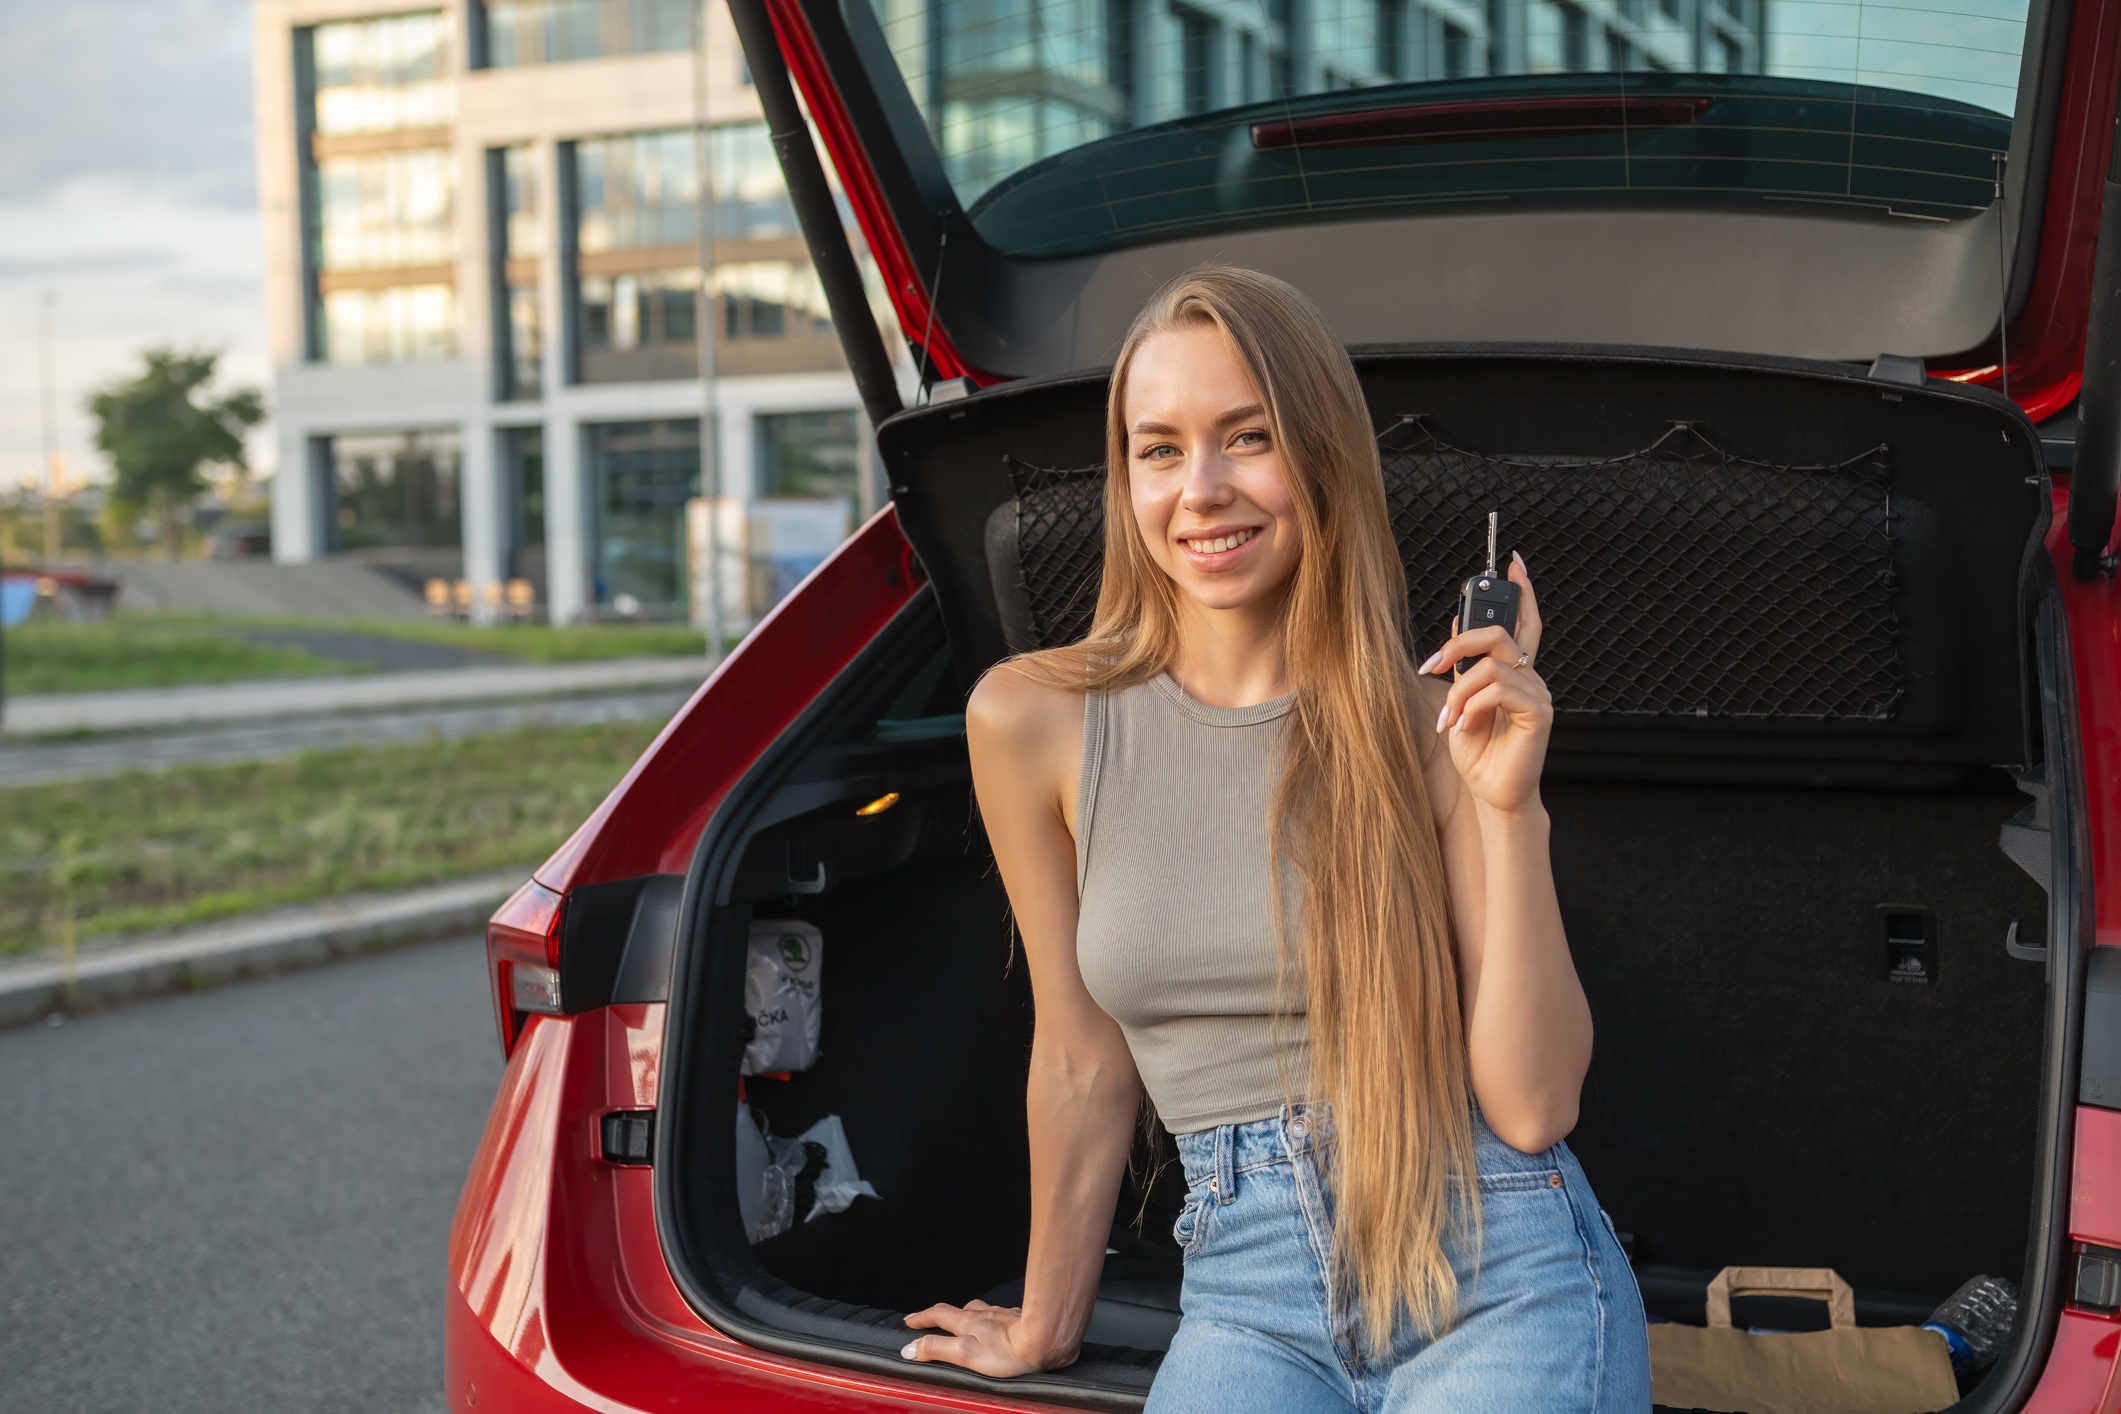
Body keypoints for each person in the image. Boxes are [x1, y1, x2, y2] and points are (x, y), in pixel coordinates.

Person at [900, 266, 1650, 1411]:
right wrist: (1049, 1320)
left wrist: (1510, 806)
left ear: (1322, 457)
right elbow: (1080, 1050)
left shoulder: (1430, 720)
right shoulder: (1031, 720)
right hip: (1247, 1296)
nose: (1200, 490)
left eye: (1246, 438)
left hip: (1492, 1265)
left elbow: (1535, 1105)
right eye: (1159, 449)